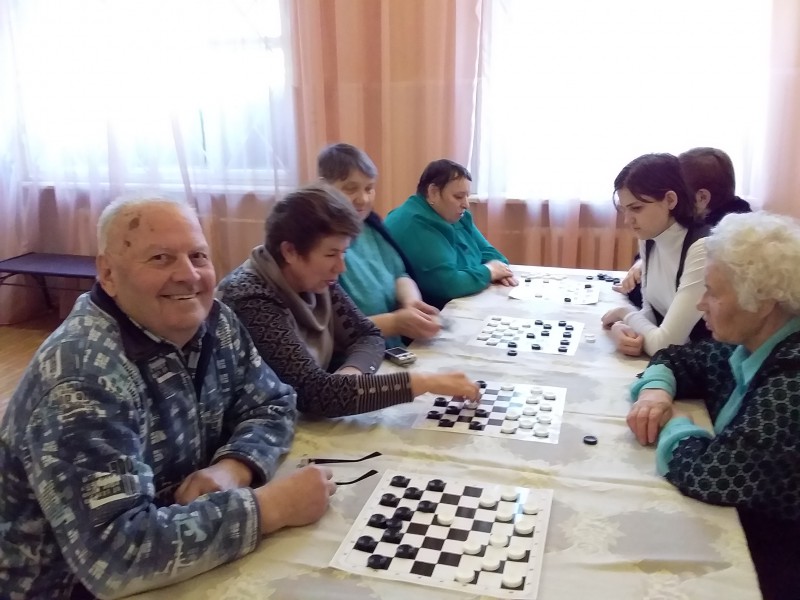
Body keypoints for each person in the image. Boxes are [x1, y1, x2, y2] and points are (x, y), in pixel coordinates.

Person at [0, 196, 336, 599]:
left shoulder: (216, 322)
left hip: (174, 552)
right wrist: (271, 508)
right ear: (108, 273)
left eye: (198, 256)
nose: (188, 275)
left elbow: (273, 403)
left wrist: (235, 467)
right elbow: (116, 555)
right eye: (160, 258)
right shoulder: (82, 377)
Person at [627, 211, 800, 600]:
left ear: (763, 302)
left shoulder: (791, 384)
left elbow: (709, 474)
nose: (701, 304)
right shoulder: (753, 342)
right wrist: (654, 392)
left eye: (713, 293)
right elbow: (679, 358)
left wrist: (673, 422)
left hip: (774, 562)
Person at [216, 183, 480, 418]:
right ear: (290, 251)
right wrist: (425, 382)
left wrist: (350, 377)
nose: (340, 267)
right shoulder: (251, 298)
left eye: (344, 253)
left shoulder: (314, 278)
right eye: (331, 254)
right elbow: (314, 394)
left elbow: (368, 335)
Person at [317, 143, 441, 348]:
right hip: (352, 356)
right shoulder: (317, 241)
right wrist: (394, 323)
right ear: (324, 187)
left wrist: (411, 302)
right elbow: (328, 328)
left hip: (390, 347)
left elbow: (399, 274)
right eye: (350, 189)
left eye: (369, 188)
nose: (363, 199)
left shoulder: (371, 228)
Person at [601, 153, 709, 357]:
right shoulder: (649, 238)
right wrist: (622, 328)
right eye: (624, 210)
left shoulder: (702, 249)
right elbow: (650, 315)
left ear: (670, 200)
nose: (628, 220)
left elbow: (665, 346)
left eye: (636, 208)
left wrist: (624, 313)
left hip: (707, 366)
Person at [615, 147, 752, 306]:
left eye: (680, 191)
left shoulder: (719, 238)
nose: (672, 201)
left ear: (702, 197)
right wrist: (643, 263)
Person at [384, 159, 517, 309]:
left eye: (467, 196)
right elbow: (450, 284)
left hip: (462, 302)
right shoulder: (414, 223)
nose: (466, 204)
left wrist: (495, 271)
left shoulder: (455, 215)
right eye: (458, 197)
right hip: (430, 312)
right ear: (433, 192)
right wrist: (489, 272)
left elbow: (495, 256)